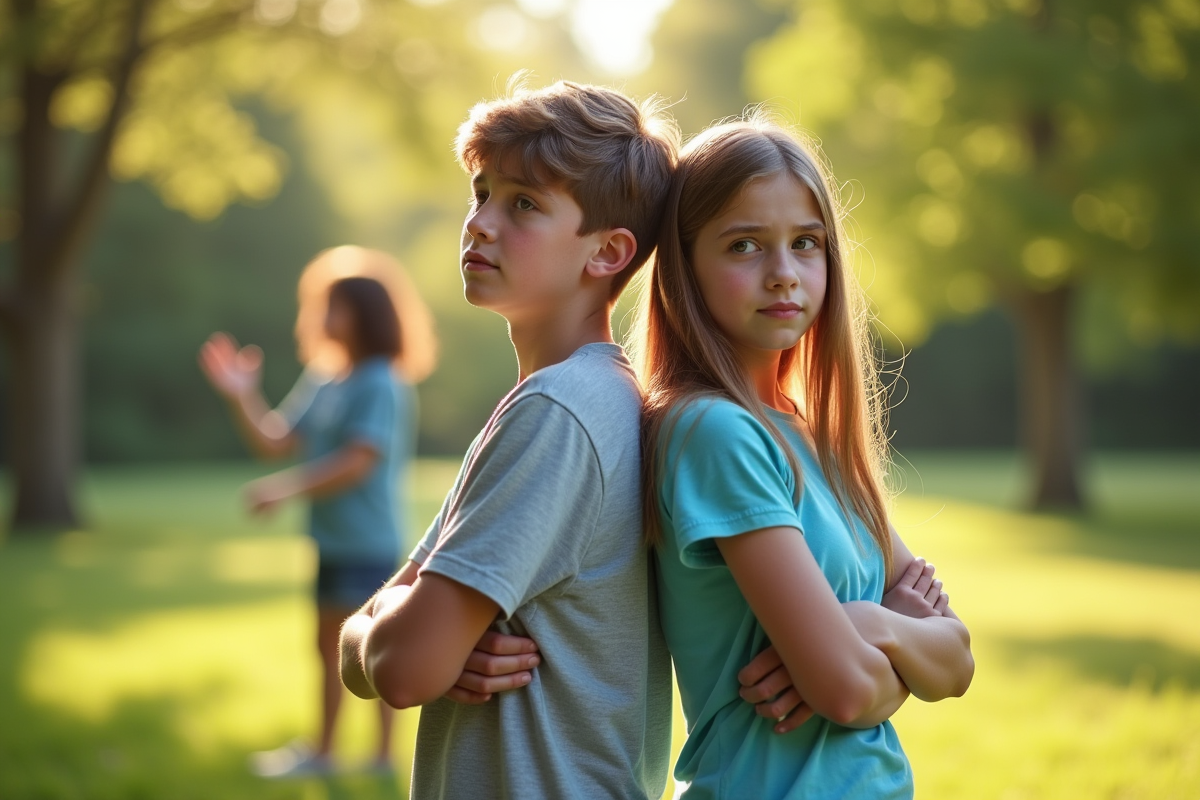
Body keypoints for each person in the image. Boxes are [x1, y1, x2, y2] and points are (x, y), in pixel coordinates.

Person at [338, 81, 679, 799]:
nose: (481, 223)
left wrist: (387, 637)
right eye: (481, 191)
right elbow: (391, 648)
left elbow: (400, 669)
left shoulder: (558, 413)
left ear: (608, 252)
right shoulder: (573, 398)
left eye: (523, 203)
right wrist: (395, 639)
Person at [634, 116, 975, 799]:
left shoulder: (812, 432)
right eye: (744, 246)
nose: (783, 274)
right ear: (685, 262)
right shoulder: (713, 433)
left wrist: (865, 624)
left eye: (806, 244)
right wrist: (887, 634)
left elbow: (959, 662)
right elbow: (847, 692)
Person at [199, 245, 436, 778]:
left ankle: (380, 760)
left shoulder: (381, 381)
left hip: (369, 541)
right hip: (329, 542)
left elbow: (358, 461)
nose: (324, 317)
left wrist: (283, 492)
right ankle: (324, 753)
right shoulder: (326, 379)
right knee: (326, 647)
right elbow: (275, 440)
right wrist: (241, 395)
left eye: (336, 306)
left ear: (366, 314)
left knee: (373, 649)